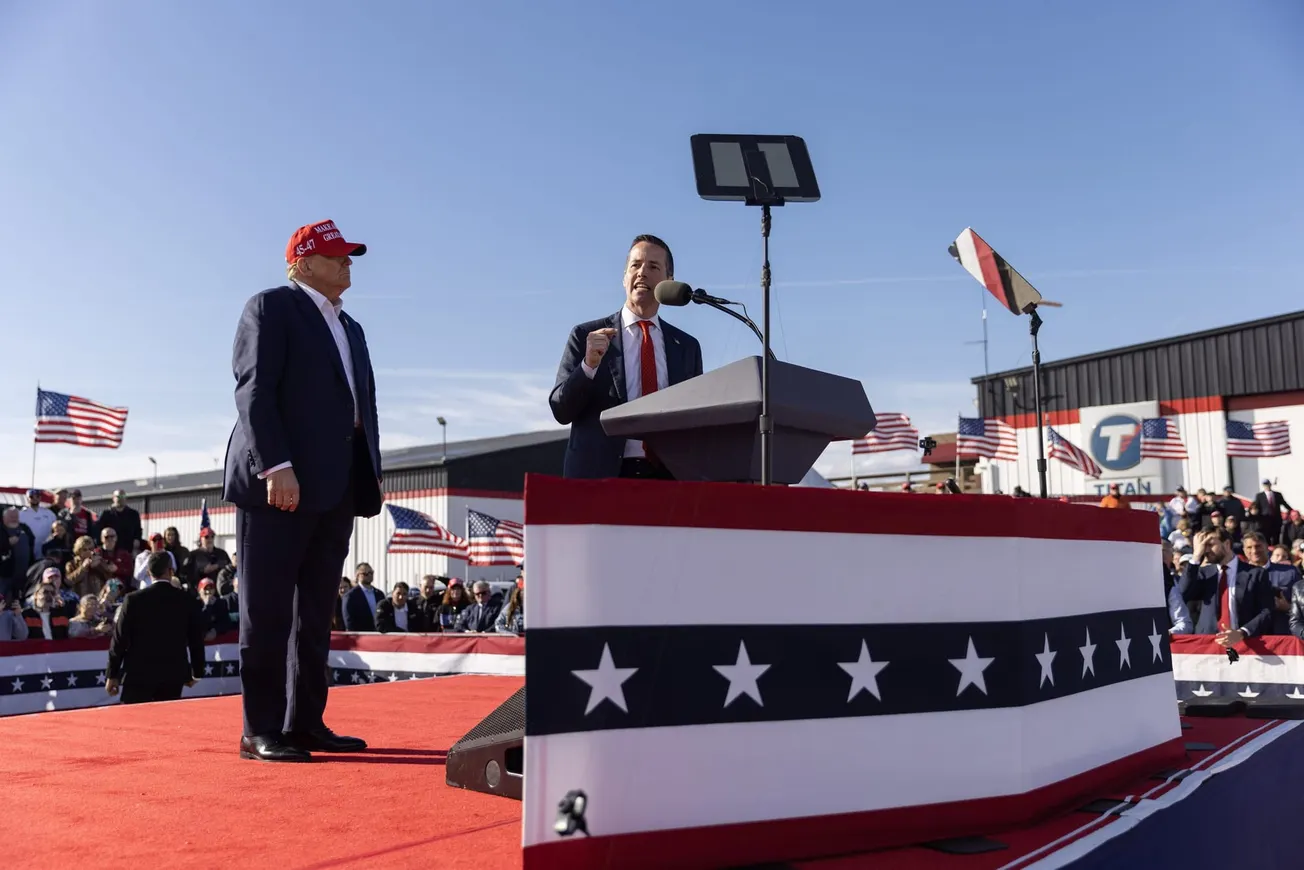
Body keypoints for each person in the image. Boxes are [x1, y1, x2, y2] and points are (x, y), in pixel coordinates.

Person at [222, 219, 383, 762]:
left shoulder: (351, 327)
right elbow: (255, 392)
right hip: (279, 485)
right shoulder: (271, 307)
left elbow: (362, 408)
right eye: (338, 255)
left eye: (350, 256)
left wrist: (367, 476)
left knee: (313, 615)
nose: (348, 263)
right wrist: (277, 466)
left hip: (335, 487)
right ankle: (260, 728)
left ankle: (305, 722)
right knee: (266, 613)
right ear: (303, 262)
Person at [548, 234, 704, 479]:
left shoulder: (686, 347)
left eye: (653, 267)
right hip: (600, 479)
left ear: (668, 280)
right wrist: (588, 366)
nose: (642, 272)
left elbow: (696, 422)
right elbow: (561, 410)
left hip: (668, 478)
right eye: (635, 265)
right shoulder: (586, 336)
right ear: (624, 278)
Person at [105, 552, 206, 704]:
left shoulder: (133, 600)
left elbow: (119, 640)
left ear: (148, 573)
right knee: (166, 724)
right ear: (171, 571)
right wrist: (196, 673)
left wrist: (112, 674)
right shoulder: (186, 600)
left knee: (134, 724)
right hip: (173, 674)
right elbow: (196, 640)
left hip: (138, 674)